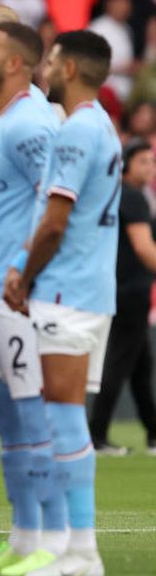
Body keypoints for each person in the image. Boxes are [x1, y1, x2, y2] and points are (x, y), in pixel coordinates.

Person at [3, 30, 119, 576]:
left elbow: (54, 222)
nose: (44, 70)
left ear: (69, 68)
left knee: (63, 417)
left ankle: (82, 550)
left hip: (64, 292)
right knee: (67, 417)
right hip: (91, 290)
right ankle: (78, 546)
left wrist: (24, 277)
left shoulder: (74, 131)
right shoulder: (104, 125)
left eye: (51, 62)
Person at [0, 20, 59, 575]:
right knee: (3, 415)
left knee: (32, 412)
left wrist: (24, 269)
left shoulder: (33, 122)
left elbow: (55, 203)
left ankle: (53, 536)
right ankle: (23, 535)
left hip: (16, 291)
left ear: (16, 63)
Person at [91, 138, 156, 455]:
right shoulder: (132, 197)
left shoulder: (118, 194)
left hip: (121, 289)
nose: (149, 167)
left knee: (141, 368)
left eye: (151, 161)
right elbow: (144, 247)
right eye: (142, 161)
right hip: (131, 292)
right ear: (125, 165)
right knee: (118, 365)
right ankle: (96, 435)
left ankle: (153, 433)